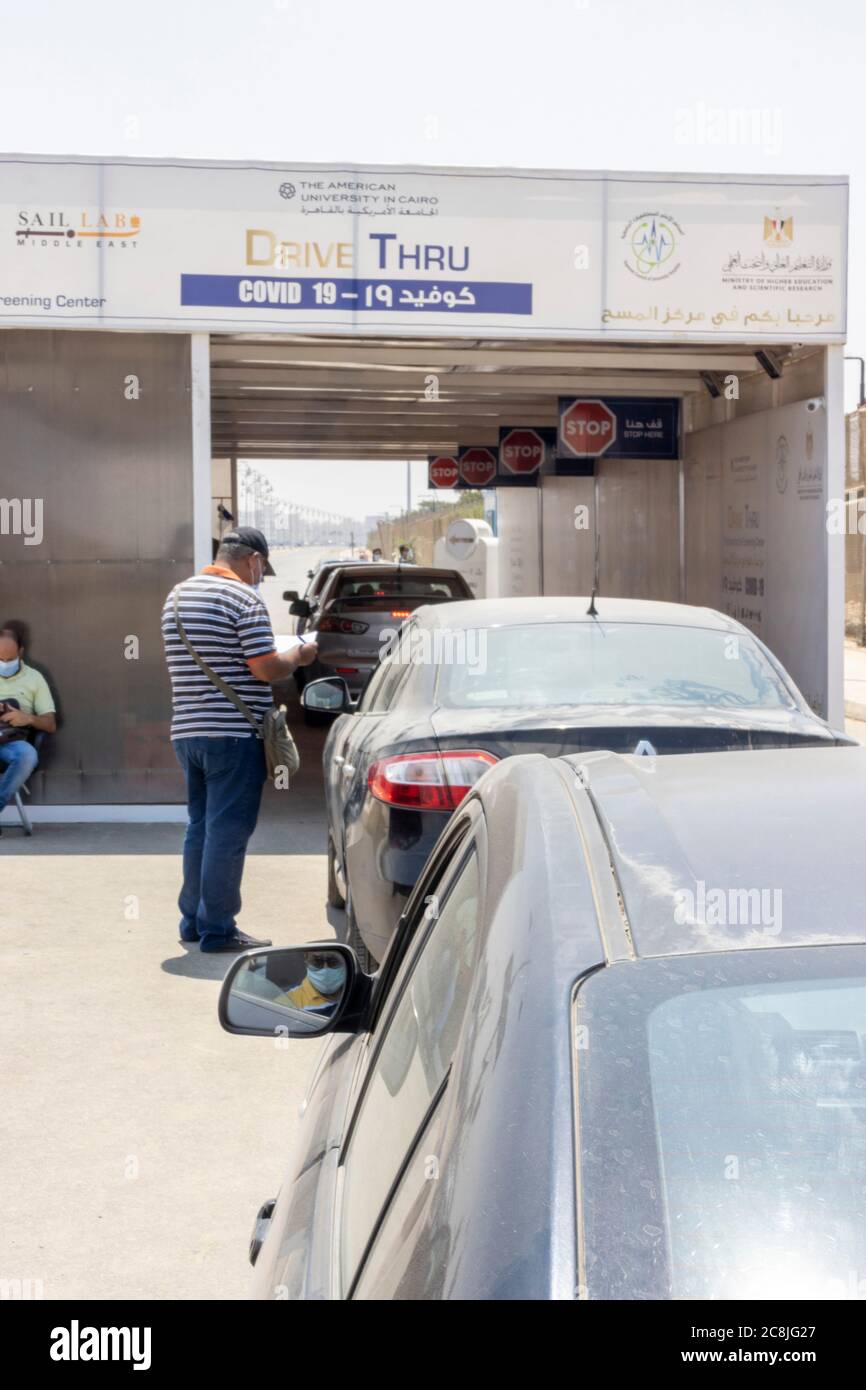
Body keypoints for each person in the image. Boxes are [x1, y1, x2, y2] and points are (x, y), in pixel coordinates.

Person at [161, 527, 318, 953]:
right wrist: (299, 655)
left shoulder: (177, 596)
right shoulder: (243, 599)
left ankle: (192, 921)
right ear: (253, 560)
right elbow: (264, 668)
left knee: (200, 828)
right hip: (233, 734)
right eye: (262, 570)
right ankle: (218, 929)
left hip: (188, 733)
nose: (261, 578)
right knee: (228, 832)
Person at [0, 621, 57, 837]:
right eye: (0, 659)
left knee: (27, 755)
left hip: (11, 741)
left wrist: (27, 717)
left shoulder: (34, 678)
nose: (4, 663)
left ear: (21, 652)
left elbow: (50, 724)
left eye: (10, 659)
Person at [279, 951, 347, 1012]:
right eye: (317, 961)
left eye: (333, 961)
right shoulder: (286, 1002)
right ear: (306, 960)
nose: (325, 969)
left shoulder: (354, 990)